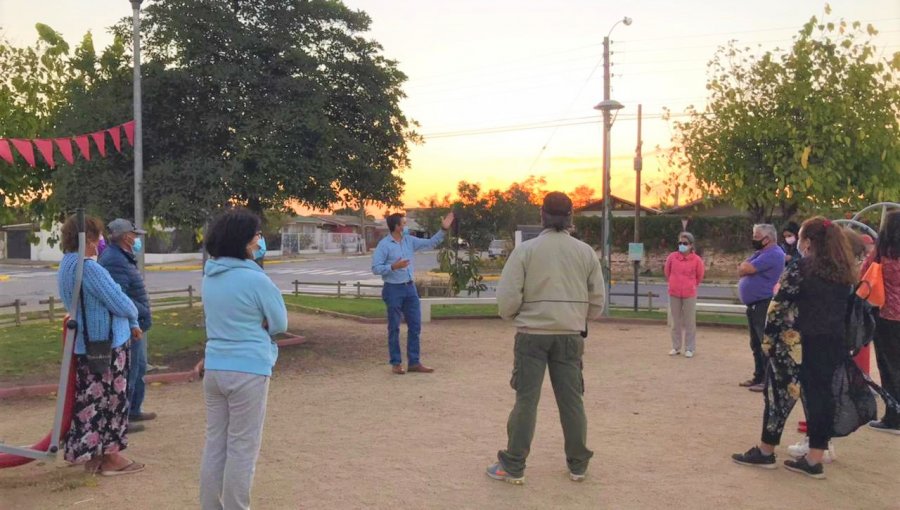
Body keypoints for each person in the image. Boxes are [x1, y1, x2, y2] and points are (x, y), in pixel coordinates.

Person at [486, 192, 605, 485]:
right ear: (570, 217)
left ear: (541, 215)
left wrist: (515, 316)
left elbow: (507, 297)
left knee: (526, 400)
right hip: (569, 335)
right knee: (572, 401)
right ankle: (578, 464)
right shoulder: (585, 252)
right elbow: (598, 301)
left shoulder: (526, 251)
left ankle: (514, 464)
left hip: (532, 336)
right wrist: (577, 317)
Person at [732, 217, 856, 479]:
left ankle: (766, 451)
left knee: (778, 397)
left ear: (808, 242)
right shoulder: (844, 272)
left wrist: (769, 342)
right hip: (830, 343)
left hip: (795, 344)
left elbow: (779, 307)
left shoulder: (801, 269)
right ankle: (814, 459)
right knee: (821, 398)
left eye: (800, 237)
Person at [199, 208, 288, 510]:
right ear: (244, 241)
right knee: (242, 449)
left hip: (215, 368)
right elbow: (279, 323)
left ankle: (210, 505)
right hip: (248, 370)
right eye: (257, 235)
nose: (260, 240)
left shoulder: (209, 276)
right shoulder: (257, 280)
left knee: (215, 444)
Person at [57, 214, 144, 476]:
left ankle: (91, 456)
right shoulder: (89, 268)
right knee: (112, 400)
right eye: (97, 237)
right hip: (106, 343)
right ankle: (111, 457)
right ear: (89, 238)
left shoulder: (66, 265)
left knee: (91, 401)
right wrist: (133, 317)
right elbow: (118, 298)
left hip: (88, 343)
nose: (100, 243)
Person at [371, 210, 454, 374]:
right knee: (394, 327)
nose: (406, 225)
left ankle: (414, 362)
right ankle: (396, 363)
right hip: (393, 289)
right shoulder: (384, 245)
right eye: (403, 223)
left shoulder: (409, 240)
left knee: (415, 325)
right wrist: (394, 267)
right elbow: (375, 268)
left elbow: (430, 243)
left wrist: (443, 229)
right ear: (396, 227)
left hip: (410, 289)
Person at [99, 219, 155, 432]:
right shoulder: (114, 260)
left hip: (136, 322)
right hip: (128, 324)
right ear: (125, 237)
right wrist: (139, 309)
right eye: (134, 234)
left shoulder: (122, 257)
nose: (137, 238)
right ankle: (123, 417)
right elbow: (118, 296)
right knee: (129, 371)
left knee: (138, 367)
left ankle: (133, 409)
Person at [738, 224, 785, 392]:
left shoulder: (773, 254)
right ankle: (759, 376)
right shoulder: (760, 253)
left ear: (768, 238)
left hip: (763, 303)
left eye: (757, 236)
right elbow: (742, 268)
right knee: (755, 343)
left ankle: (767, 380)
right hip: (754, 304)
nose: (754, 239)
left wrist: (745, 267)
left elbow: (746, 267)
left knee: (764, 343)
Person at [866, 210, 900, 435]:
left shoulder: (881, 255)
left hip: (887, 316)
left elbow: (864, 275)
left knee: (890, 368)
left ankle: (893, 416)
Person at [664, 232, 705, 358]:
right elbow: (667, 271)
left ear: (691, 245)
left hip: (689, 293)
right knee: (675, 321)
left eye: (685, 243)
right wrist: (673, 283)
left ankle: (690, 348)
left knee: (689, 322)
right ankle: (676, 347)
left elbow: (700, 276)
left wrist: (691, 285)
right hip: (674, 292)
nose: (682, 245)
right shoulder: (672, 257)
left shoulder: (697, 260)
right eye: (680, 243)